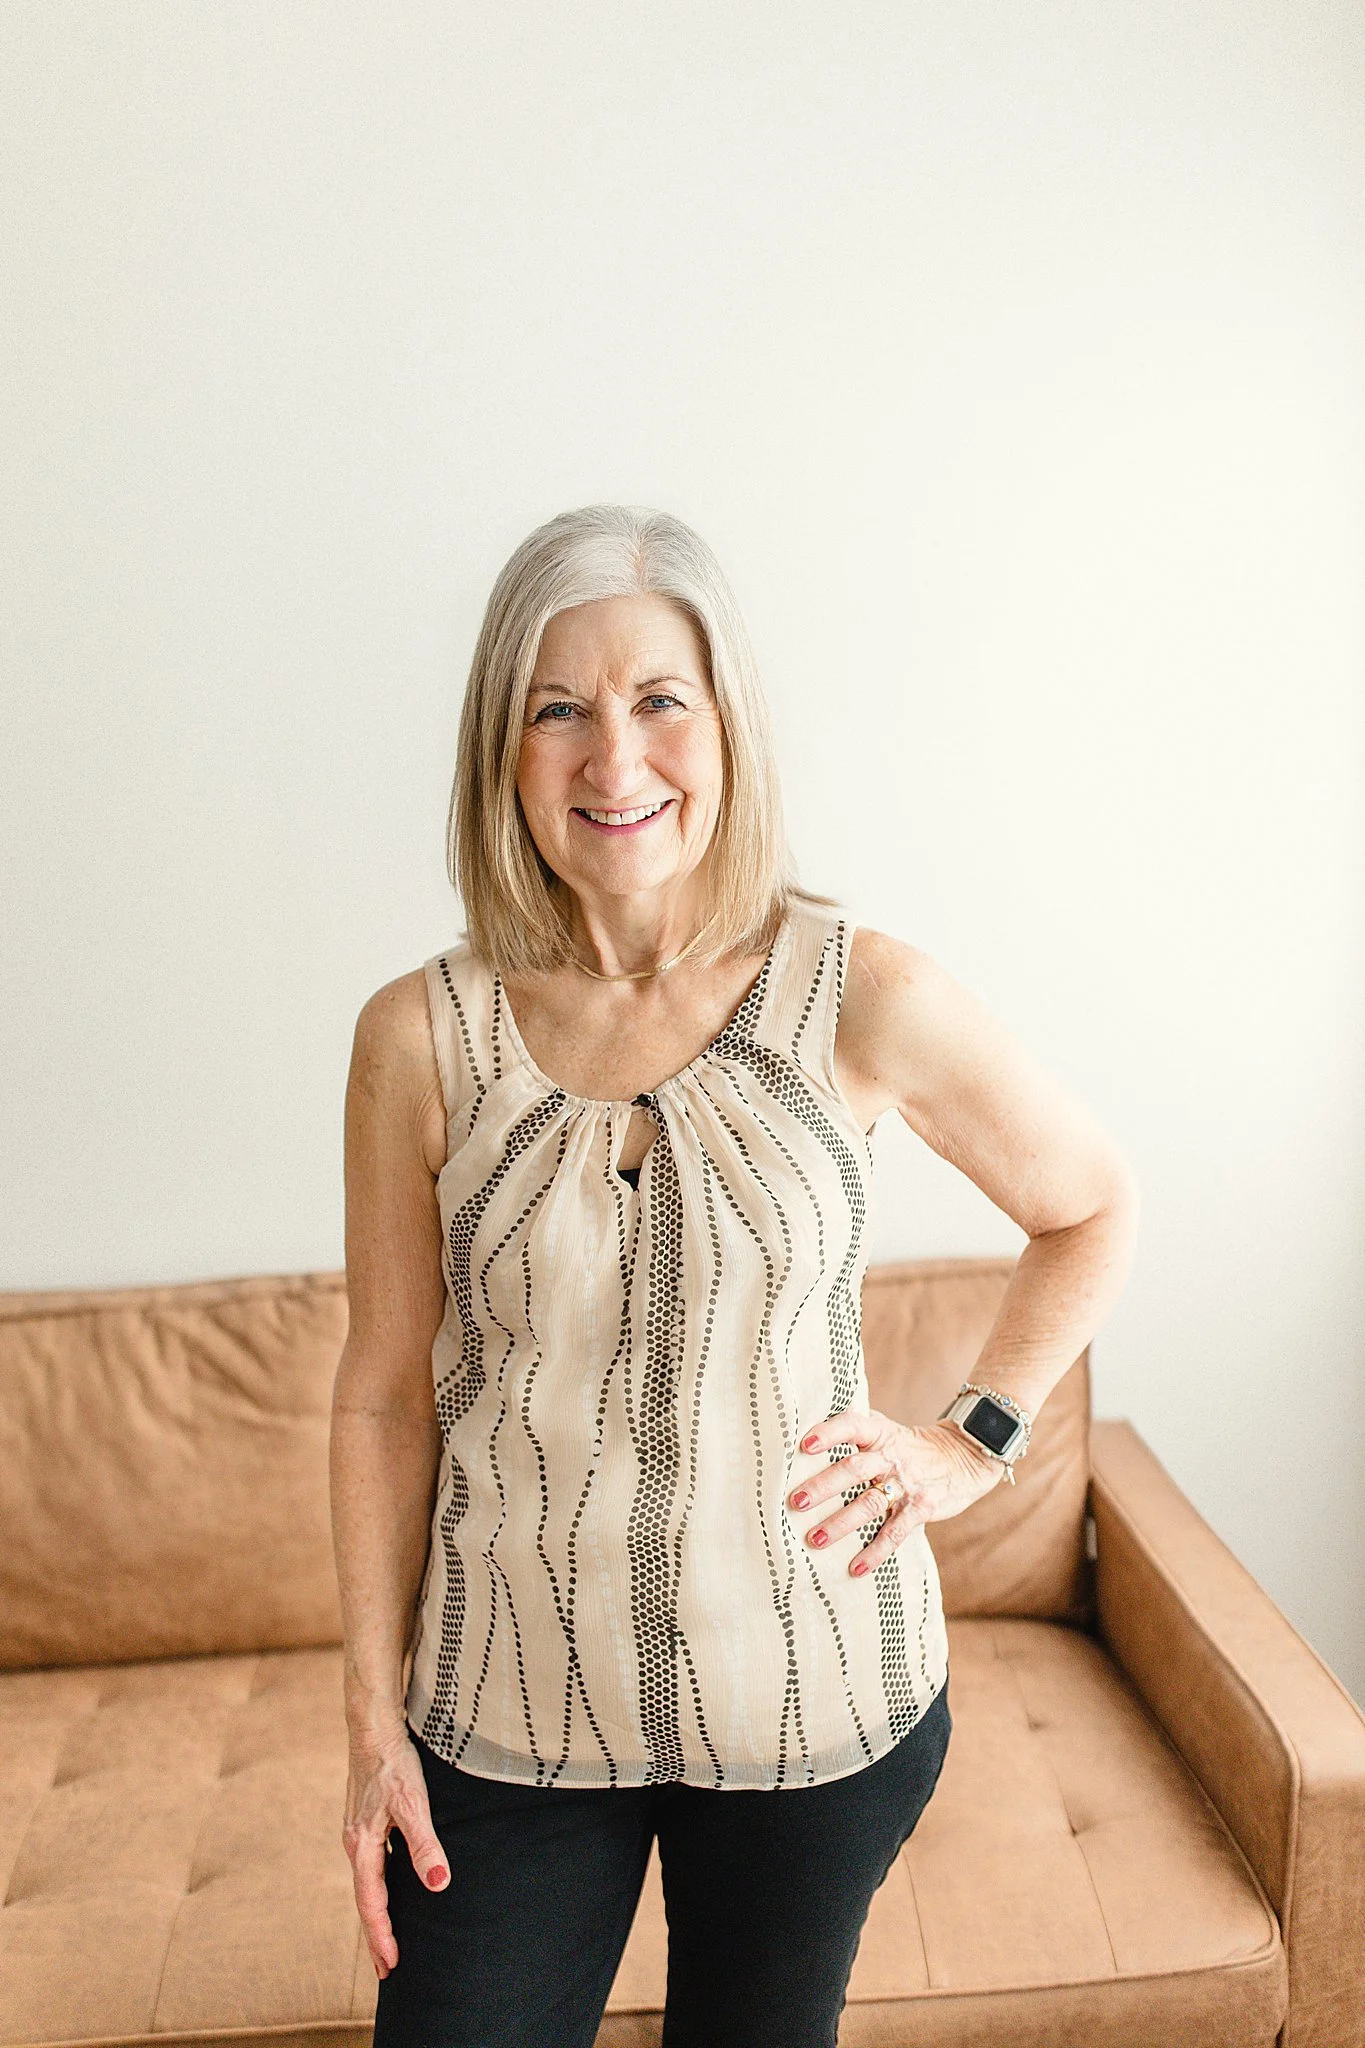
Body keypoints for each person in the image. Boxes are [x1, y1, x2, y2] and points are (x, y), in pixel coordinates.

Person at [330, 504, 1140, 2048]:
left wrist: (970, 1444)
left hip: (818, 1711)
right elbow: (378, 1397)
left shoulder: (860, 995)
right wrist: (369, 1710)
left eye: (658, 702)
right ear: (501, 754)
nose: (611, 759)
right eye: (555, 707)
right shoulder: (415, 1039)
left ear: (728, 727)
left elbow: (1092, 1204)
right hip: (505, 1717)